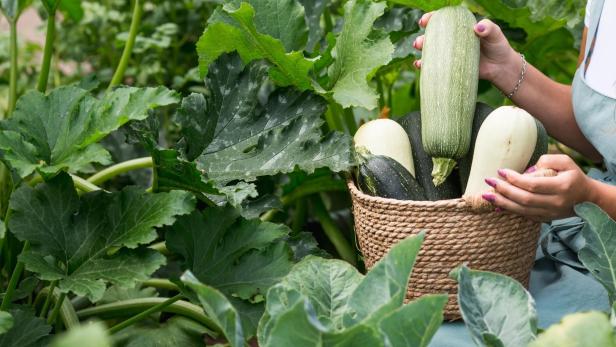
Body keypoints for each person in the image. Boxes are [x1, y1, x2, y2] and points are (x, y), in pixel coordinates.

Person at [414, 0, 615, 345]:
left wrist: (593, 198)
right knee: (426, 323)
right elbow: (601, 132)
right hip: (585, 234)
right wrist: (503, 67)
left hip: (604, 249)